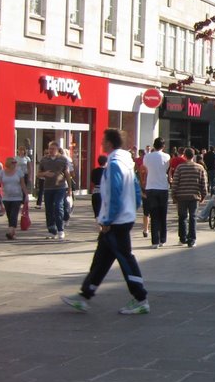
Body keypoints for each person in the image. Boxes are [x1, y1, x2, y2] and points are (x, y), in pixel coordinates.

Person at [61, 129, 149, 315]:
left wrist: (108, 219)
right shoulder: (126, 162)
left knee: (125, 258)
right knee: (102, 259)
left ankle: (140, 298)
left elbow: (114, 194)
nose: (101, 142)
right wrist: (133, 207)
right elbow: (135, 188)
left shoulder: (115, 164)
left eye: (103, 140)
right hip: (122, 217)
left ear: (109, 143)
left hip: (116, 221)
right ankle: (85, 295)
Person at [171, 147, 208, 248]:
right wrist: (204, 195)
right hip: (194, 196)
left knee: (182, 217)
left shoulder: (180, 167)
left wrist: (173, 195)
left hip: (181, 196)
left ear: (185, 155)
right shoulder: (200, 168)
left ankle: (182, 238)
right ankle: (192, 240)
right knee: (193, 217)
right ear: (193, 156)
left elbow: (175, 182)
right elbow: (204, 183)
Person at [38, 141, 70, 241]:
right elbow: (38, 174)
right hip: (48, 188)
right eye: (49, 149)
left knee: (58, 206)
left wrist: (70, 188)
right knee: (49, 209)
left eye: (53, 149)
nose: (51, 151)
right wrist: (45, 173)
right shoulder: (44, 160)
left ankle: (60, 229)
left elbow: (67, 174)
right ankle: (51, 227)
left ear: (57, 149)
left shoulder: (63, 160)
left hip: (60, 187)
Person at [143, 138, 170, 248]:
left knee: (154, 215)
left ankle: (155, 241)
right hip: (163, 187)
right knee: (163, 215)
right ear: (163, 146)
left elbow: (145, 167)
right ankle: (162, 239)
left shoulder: (147, 156)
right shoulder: (167, 157)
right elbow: (167, 169)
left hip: (151, 187)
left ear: (154, 145)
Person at [0, 156, 28, 240]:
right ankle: (12, 233)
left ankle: (10, 231)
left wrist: (26, 195)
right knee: (9, 215)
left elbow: (23, 184)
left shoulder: (19, 172)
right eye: (13, 163)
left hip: (17, 197)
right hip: (6, 197)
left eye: (15, 163)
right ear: (8, 163)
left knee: (14, 214)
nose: (15, 164)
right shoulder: (2, 172)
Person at [89, 154, 107, 219]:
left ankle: (99, 225)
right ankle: (103, 227)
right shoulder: (108, 171)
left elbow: (92, 180)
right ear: (106, 162)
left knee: (97, 213)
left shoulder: (94, 171)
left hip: (96, 192)